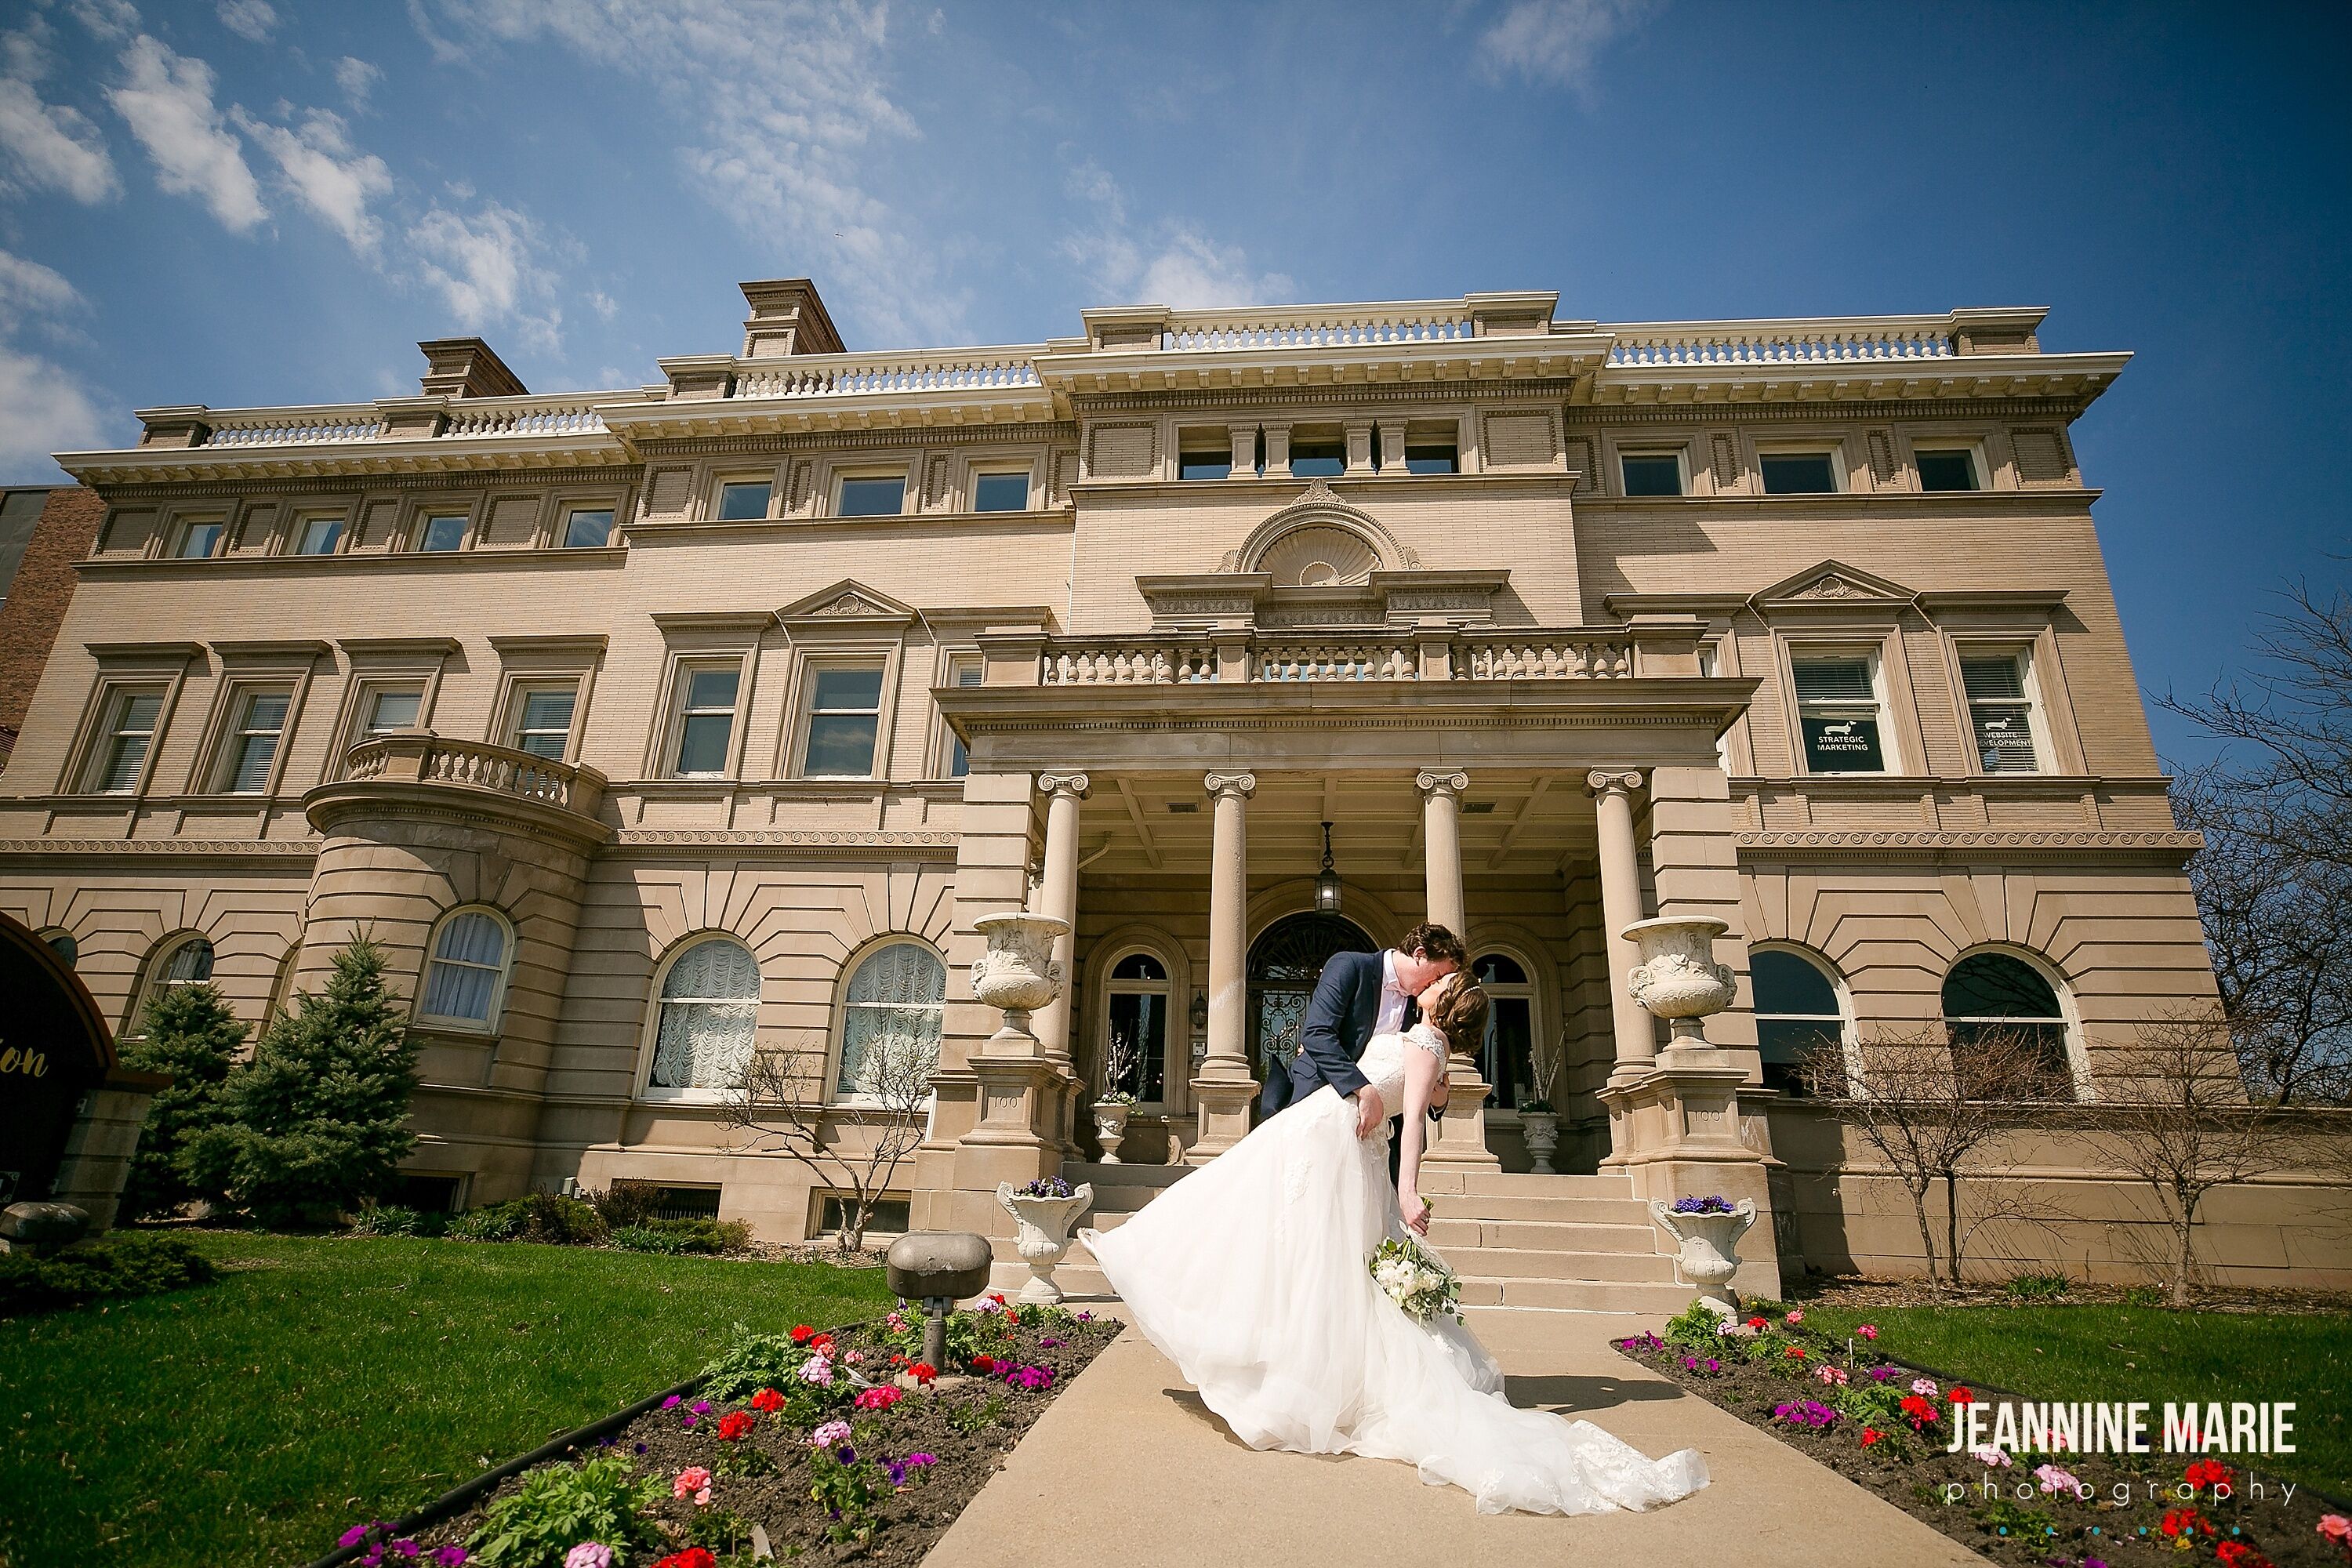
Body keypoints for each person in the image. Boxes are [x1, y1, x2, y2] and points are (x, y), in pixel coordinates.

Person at [1083, 969, 1709, 1517]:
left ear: (1446, 1000)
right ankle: (1279, 1362)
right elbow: (1421, 1097)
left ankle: (1285, 1374)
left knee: (1280, 1242)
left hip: (1332, 1143)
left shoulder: (1422, 1043)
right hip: (1324, 1137)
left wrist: (1409, 1191)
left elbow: (1411, 1126)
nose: (1429, 982)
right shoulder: (1424, 1042)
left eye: (1439, 982)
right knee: (1277, 1241)